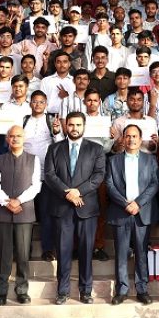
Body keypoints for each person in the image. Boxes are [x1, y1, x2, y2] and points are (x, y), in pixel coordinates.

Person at [44, 112, 106, 305]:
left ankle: (86, 291)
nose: (74, 128)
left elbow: (98, 175)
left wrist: (78, 191)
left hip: (87, 208)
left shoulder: (96, 149)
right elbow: (49, 175)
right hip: (62, 207)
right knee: (63, 251)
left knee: (86, 251)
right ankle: (62, 291)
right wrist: (67, 193)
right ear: (66, 126)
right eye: (71, 125)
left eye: (78, 125)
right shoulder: (54, 148)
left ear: (84, 126)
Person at [106, 124, 159, 306]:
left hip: (141, 212)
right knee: (121, 253)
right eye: (128, 136)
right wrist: (125, 204)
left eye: (135, 136)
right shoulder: (113, 161)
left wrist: (138, 203)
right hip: (120, 211)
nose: (131, 139)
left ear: (140, 139)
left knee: (141, 252)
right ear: (123, 138)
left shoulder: (150, 160)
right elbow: (109, 185)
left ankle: (142, 289)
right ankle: (122, 290)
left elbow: (154, 184)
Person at [0, 126, 41, 305]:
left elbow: (36, 186)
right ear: (7, 139)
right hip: (3, 212)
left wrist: (18, 201)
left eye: (18, 136)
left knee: (23, 254)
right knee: (4, 253)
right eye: (12, 136)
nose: (15, 139)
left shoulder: (34, 160)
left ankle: (22, 290)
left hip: (24, 212)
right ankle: (1, 290)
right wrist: (7, 202)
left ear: (24, 137)